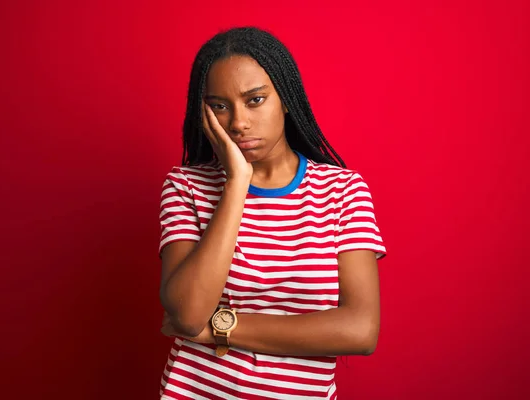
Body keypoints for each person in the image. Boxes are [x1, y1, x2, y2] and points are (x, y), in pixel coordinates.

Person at [157, 26, 386, 400]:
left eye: (255, 100)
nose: (238, 123)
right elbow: (186, 314)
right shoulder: (186, 187)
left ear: (286, 98)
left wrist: (219, 326)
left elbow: (360, 330)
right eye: (219, 105)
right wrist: (236, 184)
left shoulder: (343, 191)